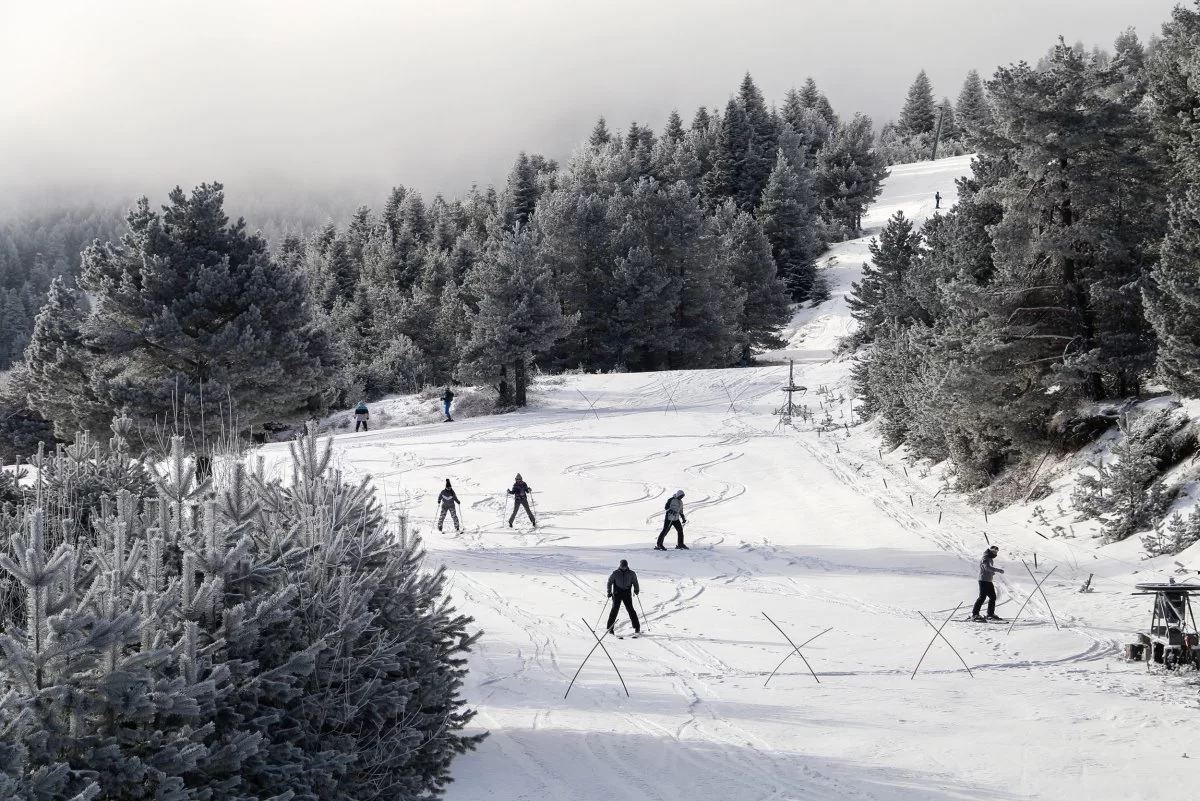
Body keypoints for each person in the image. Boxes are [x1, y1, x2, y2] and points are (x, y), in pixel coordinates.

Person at [606, 559, 641, 636]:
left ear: (627, 566)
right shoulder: (615, 573)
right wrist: (609, 591)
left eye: (625, 567)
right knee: (614, 610)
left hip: (626, 593)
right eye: (622, 567)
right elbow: (609, 582)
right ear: (620, 566)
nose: (624, 568)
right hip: (617, 593)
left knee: (631, 610)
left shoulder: (632, 573)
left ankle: (637, 627)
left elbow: (635, 582)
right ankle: (610, 628)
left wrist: (636, 589)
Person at [972, 545, 1005, 622]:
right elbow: (986, 567)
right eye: (993, 552)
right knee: (982, 597)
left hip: (988, 580)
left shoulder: (989, 558)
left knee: (993, 597)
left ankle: (990, 614)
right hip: (983, 580)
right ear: (990, 551)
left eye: (996, 552)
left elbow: (987, 569)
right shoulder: (985, 557)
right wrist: (998, 570)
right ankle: (975, 614)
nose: (995, 553)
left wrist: (992, 573)